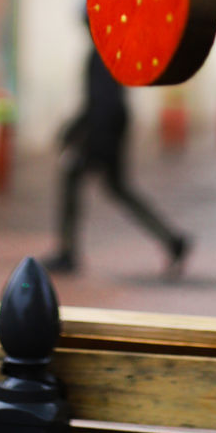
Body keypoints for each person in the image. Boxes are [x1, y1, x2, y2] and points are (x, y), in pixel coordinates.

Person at [44, 21, 190, 275]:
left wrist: (86, 140)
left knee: (74, 180)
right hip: (107, 133)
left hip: (103, 135)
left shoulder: (102, 54)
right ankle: (172, 240)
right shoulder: (109, 52)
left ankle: (67, 252)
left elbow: (102, 103)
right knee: (119, 189)